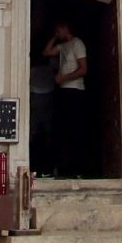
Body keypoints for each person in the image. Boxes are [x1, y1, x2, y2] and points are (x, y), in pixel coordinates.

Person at [43, 20, 87, 177]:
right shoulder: (62, 47)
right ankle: (63, 167)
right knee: (62, 130)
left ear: (65, 28)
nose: (57, 33)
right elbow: (46, 52)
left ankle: (78, 169)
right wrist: (55, 37)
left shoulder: (77, 44)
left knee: (75, 129)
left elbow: (83, 69)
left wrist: (65, 78)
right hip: (64, 91)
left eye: (58, 30)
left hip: (75, 90)